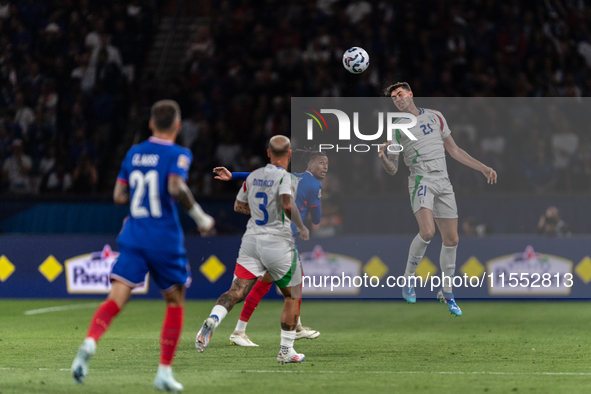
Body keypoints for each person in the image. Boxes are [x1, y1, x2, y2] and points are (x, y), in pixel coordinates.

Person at [71, 100, 215, 392]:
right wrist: (201, 218)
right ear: (177, 125)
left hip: (134, 237)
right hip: (164, 239)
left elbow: (119, 196)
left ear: (151, 123)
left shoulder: (133, 153)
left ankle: (89, 341)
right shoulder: (179, 153)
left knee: (115, 300)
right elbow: (176, 187)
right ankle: (163, 371)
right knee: (174, 302)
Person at [378, 82, 497, 316]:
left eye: (400, 94)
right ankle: (408, 279)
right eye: (393, 98)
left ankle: (447, 292)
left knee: (452, 239)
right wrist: (383, 156)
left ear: (411, 94)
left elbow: (454, 150)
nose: (397, 99)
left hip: (444, 181)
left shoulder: (436, 117)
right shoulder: (397, 126)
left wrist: (482, 167)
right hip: (421, 180)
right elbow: (393, 168)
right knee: (428, 232)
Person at [195, 135, 310, 363]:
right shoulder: (286, 178)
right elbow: (287, 204)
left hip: (251, 242)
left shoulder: (254, 177)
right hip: (277, 242)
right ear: (288, 154)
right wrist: (300, 225)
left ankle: (213, 320)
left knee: (236, 291)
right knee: (293, 294)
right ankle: (286, 350)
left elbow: (238, 206)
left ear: (268, 153)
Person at [212, 149, 328, 346]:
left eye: (327, 164)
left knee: (271, 284)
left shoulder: (291, 177)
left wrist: (233, 175)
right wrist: (311, 206)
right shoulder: (314, 184)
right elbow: (317, 219)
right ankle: (242, 332)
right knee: (287, 285)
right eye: (321, 163)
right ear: (310, 165)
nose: (325, 167)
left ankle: (293, 327)